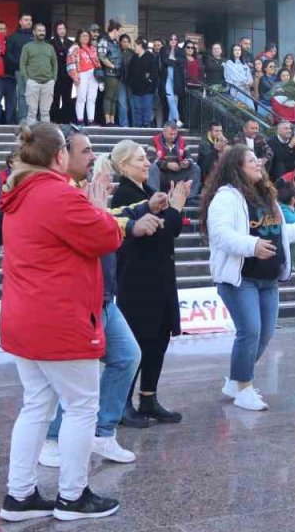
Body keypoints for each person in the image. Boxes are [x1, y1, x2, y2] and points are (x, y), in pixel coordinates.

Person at [0, 123, 122, 523]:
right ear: (58, 157)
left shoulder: (20, 193)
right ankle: (72, 496)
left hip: (24, 318)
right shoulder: (57, 194)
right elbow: (106, 238)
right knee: (82, 406)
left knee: (35, 404)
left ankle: (19, 496)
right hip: (59, 320)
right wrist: (98, 207)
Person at [38, 129, 166, 468]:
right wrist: (131, 223)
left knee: (126, 357)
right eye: (86, 150)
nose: (94, 156)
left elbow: (110, 217)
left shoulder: (81, 189)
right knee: (79, 379)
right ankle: (53, 438)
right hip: (81, 298)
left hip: (104, 296)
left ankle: (102, 433)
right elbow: (94, 229)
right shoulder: (59, 193)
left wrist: (139, 211)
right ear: (62, 155)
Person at [198, 148, 295, 412]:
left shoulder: (267, 196)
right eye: (251, 160)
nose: (258, 163)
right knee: (249, 331)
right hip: (241, 279)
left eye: (257, 159)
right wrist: (253, 245)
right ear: (236, 167)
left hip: (268, 279)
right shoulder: (226, 198)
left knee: (265, 334)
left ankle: (235, 381)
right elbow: (220, 235)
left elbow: (281, 233)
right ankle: (244, 388)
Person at [109, 140, 190, 425]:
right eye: (141, 159)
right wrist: (176, 207)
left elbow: (168, 229)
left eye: (147, 158)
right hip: (138, 280)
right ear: (123, 165)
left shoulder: (145, 192)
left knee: (158, 340)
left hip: (159, 276)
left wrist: (172, 210)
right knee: (139, 343)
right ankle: (122, 403)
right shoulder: (123, 194)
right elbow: (162, 231)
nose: (147, 163)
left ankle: (148, 398)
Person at [148, 121, 202, 193]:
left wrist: (187, 163)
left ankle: (191, 198)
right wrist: (167, 165)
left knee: (195, 168)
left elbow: (189, 157)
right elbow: (150, 159)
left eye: (175, 134)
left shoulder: (182, 141)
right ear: (164, 132)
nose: (173, 136)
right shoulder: (154, 140)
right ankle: (154, 195)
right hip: (162, 174)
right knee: (152, 168)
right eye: (170, 134)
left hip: (178, 173)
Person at [19, 23, 57, 126]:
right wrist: (27, 79)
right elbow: (22, 64)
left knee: (45, 112)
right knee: (32, 112)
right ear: (34, 32)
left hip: (48, 83)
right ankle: (31, 138)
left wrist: (53, 79)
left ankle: (45, 136)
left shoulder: (50, 47)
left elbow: (55, 64)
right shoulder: (27, 47)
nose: (42, 33)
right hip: (32, 82)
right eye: (39, 31)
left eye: (43, 31)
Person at [4, 14, 34, 126]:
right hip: (20, 70)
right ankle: (23, 118)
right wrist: (20, 64)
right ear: (20, 22)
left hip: (35, 71)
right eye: (26, 20)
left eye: (30, 20)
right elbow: (8, 54)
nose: (29, 22)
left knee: (35, 95)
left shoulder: (36, 37)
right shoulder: (13, 37)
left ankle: (34, 117)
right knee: (22, 94)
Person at [67, 29, 100, 126]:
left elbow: (97, 62)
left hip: (93, 74)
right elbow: (70, 63)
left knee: (92, 98)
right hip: (81, 74)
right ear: (79, 37)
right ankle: (80, 120)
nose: (85, 38)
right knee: (81, 98)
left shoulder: (92, 48)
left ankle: (91, 120)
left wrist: (100, 78)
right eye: (83, 36)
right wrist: (74, 76)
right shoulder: (74, 48)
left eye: (87, 36)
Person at [126, 38, 159, 128]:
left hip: (148, 89)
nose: (134, 48)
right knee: (137, 108)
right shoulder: (134, 58)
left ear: (140, 46)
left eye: (135, 45)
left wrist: (149, 81)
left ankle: (146, 124)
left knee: (146, 107)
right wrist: (131, 83)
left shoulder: (150, 57)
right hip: (136, 89)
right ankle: (138, 125)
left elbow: (154, 72)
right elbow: (130, 72)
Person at [98, 21, 126, 126]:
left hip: (117, 73)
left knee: (114, 98)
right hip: (110, 73)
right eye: (119, 31)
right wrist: (113, 67)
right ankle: (107, 120)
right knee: (109, 97)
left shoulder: (114, 42)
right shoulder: (104, 41)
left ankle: (112, 120)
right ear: (115, 30)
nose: (119, 34)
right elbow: (101, 56)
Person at [50, 21, 75, 124]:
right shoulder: (51, 42)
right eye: (59, 29)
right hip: (55, 74)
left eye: (63, 29)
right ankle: (54, 119)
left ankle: (66, 120)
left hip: (67, 75)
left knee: (66, 98)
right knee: (55, 98)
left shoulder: (71, 43)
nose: (62, 31)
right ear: (56, 30)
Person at [159, 33, 185, 125]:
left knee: (175, 99)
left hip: (177, 79)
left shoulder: (181, 51)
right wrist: (175, 61)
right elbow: (164, 61)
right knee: (170, 98)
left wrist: (172, 60)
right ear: (168, 40)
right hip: (167, 78)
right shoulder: (163, 49)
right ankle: (177, 119)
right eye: (171, 39)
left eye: (175, 39)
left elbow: (182, 62)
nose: (173, 41)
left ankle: (171, 123)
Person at [224, 44, 256, 109]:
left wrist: (249, 82)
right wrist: (243, 82)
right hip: (236, 90)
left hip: (246, 90)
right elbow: (230, 78)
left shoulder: (244, 64)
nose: (237, 52)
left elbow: (249, 75)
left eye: (239, 50)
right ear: (232, 52)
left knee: (251, 108)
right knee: (239, 110)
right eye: (235, 50)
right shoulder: (229, 63)